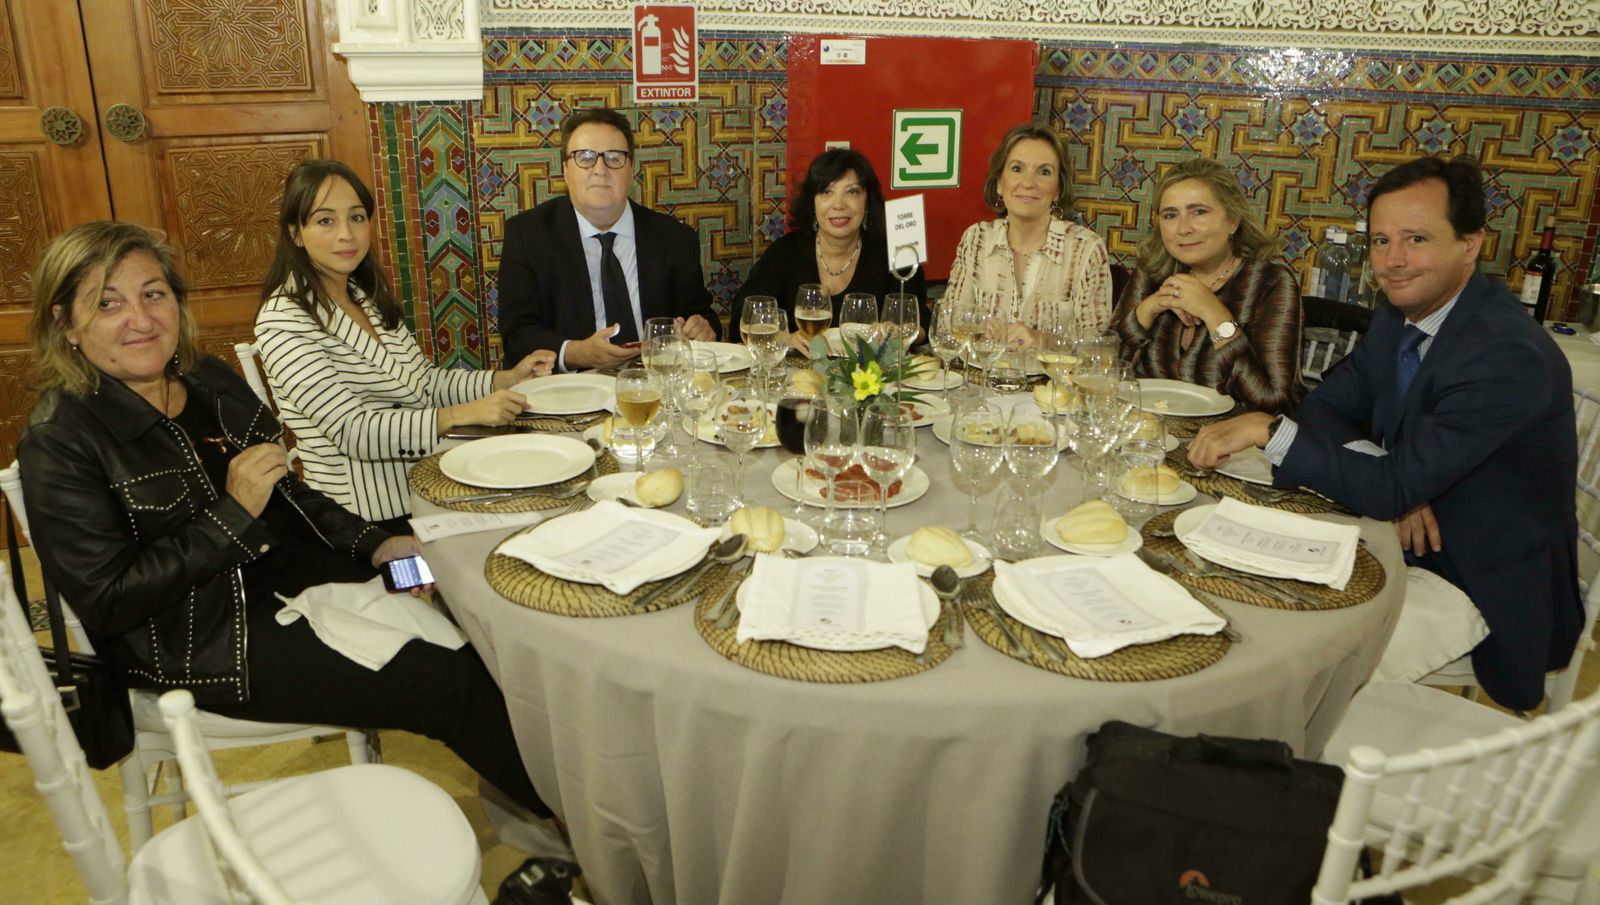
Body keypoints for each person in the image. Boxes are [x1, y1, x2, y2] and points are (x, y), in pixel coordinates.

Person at [18, 221, 551, 817]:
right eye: (107, 303)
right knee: (449, 682)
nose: (140, 319)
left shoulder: (205, 381)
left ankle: (543, 797)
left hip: (290, 574)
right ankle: (578, 832)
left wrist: (377, 545)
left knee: (460, 591)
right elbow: (109, 601)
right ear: (65, 323)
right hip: (203, 641)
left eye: (153, 293)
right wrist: (231, 516)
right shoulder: (60, 443)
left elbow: (290, 495)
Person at [1188, 155, 1584, 710]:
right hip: (1395, 535)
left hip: (1475, 576)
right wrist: (1392, 478)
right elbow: (1326, 406)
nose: (1393, 261)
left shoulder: (1505, 354)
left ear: (1470, 244)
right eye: (1380, 241)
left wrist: (1270, 431)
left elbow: (1379, 479)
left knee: (1275, 661)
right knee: (1227, 580)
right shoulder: (1402, 316)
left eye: (1416, 239)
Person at [255, 159, 555, 528]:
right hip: (359, 516)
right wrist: (462, 414)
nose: (346, 234)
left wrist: (505, 379)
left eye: (356, 217)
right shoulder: (283, 319)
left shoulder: (364, 297)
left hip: (424, 484)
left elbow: (424, 381)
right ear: (296, 233)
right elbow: (353, 431)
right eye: (325, 220)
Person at [497, 106, 721, 370]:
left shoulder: (675, 238)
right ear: (566, 170)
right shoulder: (528, 236)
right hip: (570, 385)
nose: (600, 169)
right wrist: (577, 353)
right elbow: (517, 335)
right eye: (585, 157)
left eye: (614, 157)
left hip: (658, 382)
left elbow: (703, 316)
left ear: (631, 169)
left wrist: (702, 328)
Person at [1112, 158, 1306, 415]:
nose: (1183, 229)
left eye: (1199, 212)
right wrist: (1146, 311)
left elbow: (1274, 403)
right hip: (1145, 430)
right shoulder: (1152, 273)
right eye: (1170, 215)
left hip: (1229, 438)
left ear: (1232, 220)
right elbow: (1100, 373)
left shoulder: (1271, 284)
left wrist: (1214, 313)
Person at [728, 148, 926, 350]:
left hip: (872, 367)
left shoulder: (895, 252)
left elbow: (921, 324)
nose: (839, 205)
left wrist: (901, 332)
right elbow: (742, 319)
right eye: (826, 192)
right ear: (812, 202)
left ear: (867, 200)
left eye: (852, 192)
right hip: (798, 368)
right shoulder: (786, 252)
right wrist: (782, 338)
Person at [943, 123, 1112, 349]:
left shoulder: (1086, 249)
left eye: (1044, 172)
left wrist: (1043, 341)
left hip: (1051, 374)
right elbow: (946, 330)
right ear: (999, 183)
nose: (1028, 183)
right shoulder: (976, 239)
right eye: (1017, 169)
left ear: (1058, 189)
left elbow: (1097, 349)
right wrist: (976, 330)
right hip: (983, 371)